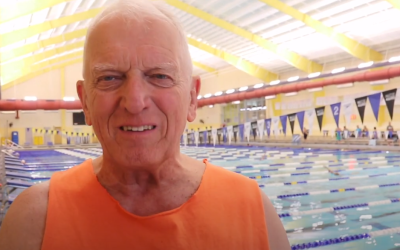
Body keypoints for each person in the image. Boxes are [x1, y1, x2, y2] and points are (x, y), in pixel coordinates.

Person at [0, 1, 290, 250]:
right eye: (110, 78)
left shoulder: (254, 211)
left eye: (160, 76)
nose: (135, 102)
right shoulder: (34, 221)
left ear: (192, 97)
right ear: (85, 101)